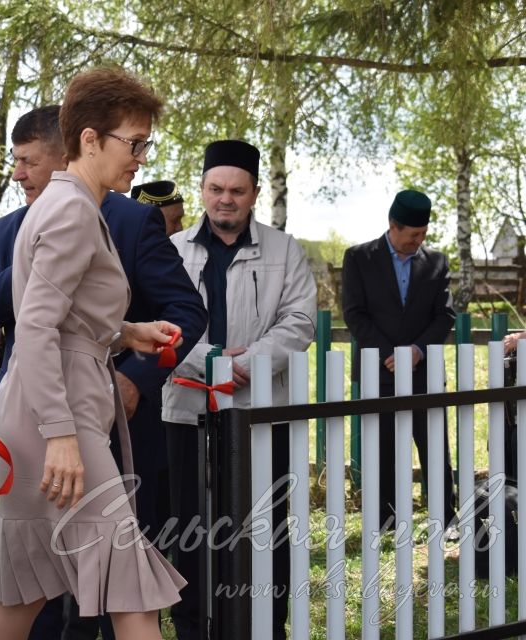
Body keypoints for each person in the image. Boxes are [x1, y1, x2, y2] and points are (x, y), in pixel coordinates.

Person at [0, 105, 206, 639]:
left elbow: (58, 315)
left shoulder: (65, 202)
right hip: (58, 417)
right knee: (130, 587)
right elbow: (36, 326)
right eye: (134, 143)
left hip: (50, 410)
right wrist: (62, 435)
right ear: (91, 139)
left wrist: (125, 332)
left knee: (24, 597)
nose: (141, 158)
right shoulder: (71, 209)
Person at [161, 139, 317, 640]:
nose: (224, 199)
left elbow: (299, 320)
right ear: (202, 189)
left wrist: (248, 362)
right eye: (215, 188)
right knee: (186, 530)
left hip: (259, 413)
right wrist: (209, 361)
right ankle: (192, 629)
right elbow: (157, 321)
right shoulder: (172, 251)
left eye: (236, 190)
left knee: (264, 532)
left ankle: (265, 628)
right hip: (186, 410)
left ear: (252, 194)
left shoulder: (283, 249)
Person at [342, 189, 457, 530]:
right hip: (381, 371)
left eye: (423, 234)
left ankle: (445, 519)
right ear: (393, 225)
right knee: (384, 450)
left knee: (436, 448)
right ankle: (386, 520)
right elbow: (354, 314)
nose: (418, 241)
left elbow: (445, 315)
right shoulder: (358, 258)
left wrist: (417, 351)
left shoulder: (437, 262)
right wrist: (391, 354)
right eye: (412, 235)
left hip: (425, 373)